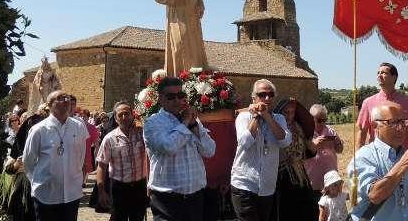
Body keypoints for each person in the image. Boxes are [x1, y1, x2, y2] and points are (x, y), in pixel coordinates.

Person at [143, 76, 216, 221]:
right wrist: (185, 122)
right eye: (171, 96)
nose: (177, 100)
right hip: (167, 199)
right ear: (161, 99)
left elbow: (209, 151)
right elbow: (169, 147)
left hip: (195, 197)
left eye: (180, 95)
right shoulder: (153, 123)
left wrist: (194, 126)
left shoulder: (192, 121)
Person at [350, 102, 408, 221]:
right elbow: (375, 195)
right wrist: (402, 165)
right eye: (393, 123)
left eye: (403, 122)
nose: (400, 128)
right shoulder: (363, 158)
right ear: (375, 126)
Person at [231, 79, 292, 221]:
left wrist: (268, 117)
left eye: (270, 95)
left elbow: (285, 141)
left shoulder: (279, 119)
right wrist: (257, 116)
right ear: (254, 98)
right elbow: (245, 142)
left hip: (267, 186)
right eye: (262, 94)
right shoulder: (243, 117)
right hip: (244, 184)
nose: (267, 98)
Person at [23, 91, 89, 221]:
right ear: (49, 105)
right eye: (60, 98)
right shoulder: (39, 130)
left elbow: (80, 156)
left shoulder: (79, 126)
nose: (66, 100)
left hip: (71, 193)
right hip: (45, 195)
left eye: (67, 97)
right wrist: (39, 182)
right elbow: (28, 161)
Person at [356, 63, 408, 175]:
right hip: (378, 161)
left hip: (404, 159)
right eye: (378, 73)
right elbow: (362, 132)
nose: (379, 75)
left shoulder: (407, 102)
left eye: (384, 73)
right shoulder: (368, 103)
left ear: (394, 77)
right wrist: (358, 159)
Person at [97, 101, 149, 221]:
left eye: (127, 113)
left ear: (132, 115)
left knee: (138, 218)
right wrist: (101, 191)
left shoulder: (142, 133)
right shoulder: (109, 139)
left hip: (139, 186)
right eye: (120, 115)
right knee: (118, 218)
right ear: (115, 118)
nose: (124, 117)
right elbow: (101, 165)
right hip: (119, 188)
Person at [274, 98, 317, 221]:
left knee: (308, 208)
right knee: (287, 210)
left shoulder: (298, 127)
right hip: (281, 175)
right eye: (286, 112)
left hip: (300, 174)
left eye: (292, 112)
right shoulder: (275, 128)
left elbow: (309, 152)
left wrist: (311, 145)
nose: (289, 115)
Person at [305, 104, 343, 193]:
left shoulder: (331, 131)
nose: (322, 123)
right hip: (314, 180)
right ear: (311, 119)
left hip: (331, 180)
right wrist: (313, 144)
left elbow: (340, 150)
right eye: (319, 120)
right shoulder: (305, 133)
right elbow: (301, 154)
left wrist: (338, 143)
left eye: (324, 120)